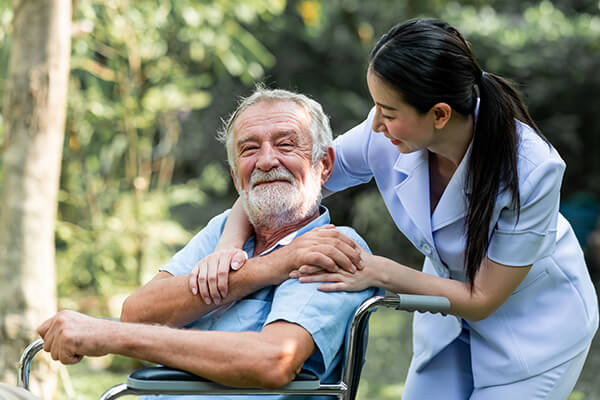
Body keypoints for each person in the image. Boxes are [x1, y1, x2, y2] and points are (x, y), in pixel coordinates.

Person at [201, 18, 599, 399]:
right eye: (376, 108)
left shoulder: (533, 171)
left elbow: (483, 299)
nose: (375, 124)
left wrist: (375, 271)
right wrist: (228, 248)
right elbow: (281, 178)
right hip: (445, 314)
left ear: (439, 115)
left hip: (533, 324)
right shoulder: (383, 137)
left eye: (388, 113)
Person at [14, 88, 378, 400]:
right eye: (249, 149)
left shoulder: (333, 246)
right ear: (236, 175)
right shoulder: (226, 229)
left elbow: (273, 360)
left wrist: (110, 335)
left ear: (324, 165)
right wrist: (268, 268)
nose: (267, 160)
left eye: (286, 144)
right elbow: (138, 312)